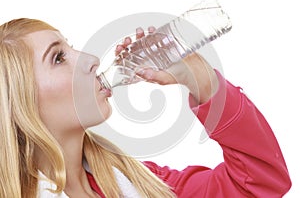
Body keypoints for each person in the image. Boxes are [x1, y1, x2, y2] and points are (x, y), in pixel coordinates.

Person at [0, 18, 291, 198]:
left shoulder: (142, 184)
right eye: (59, 58)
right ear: (17, 103)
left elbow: (258, 186)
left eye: (71, 47)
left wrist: (200, 80)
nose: (91, 59)